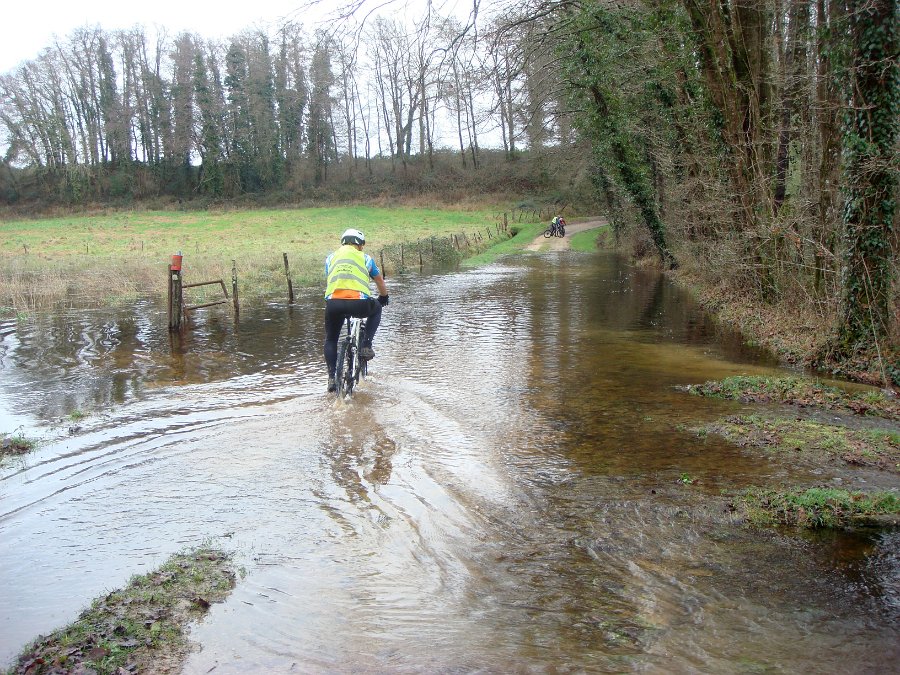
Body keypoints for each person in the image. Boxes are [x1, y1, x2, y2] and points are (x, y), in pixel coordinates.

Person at [323, 228, 389, 392]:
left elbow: (330, 276)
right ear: (359, 245)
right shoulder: (365, 258)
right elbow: (379, 280)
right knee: (377, 308)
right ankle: (366, 345)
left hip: (334, 303)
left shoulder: (330, 258)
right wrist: (384, 297)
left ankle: (332, 378)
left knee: (331, 339)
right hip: (359, 303)